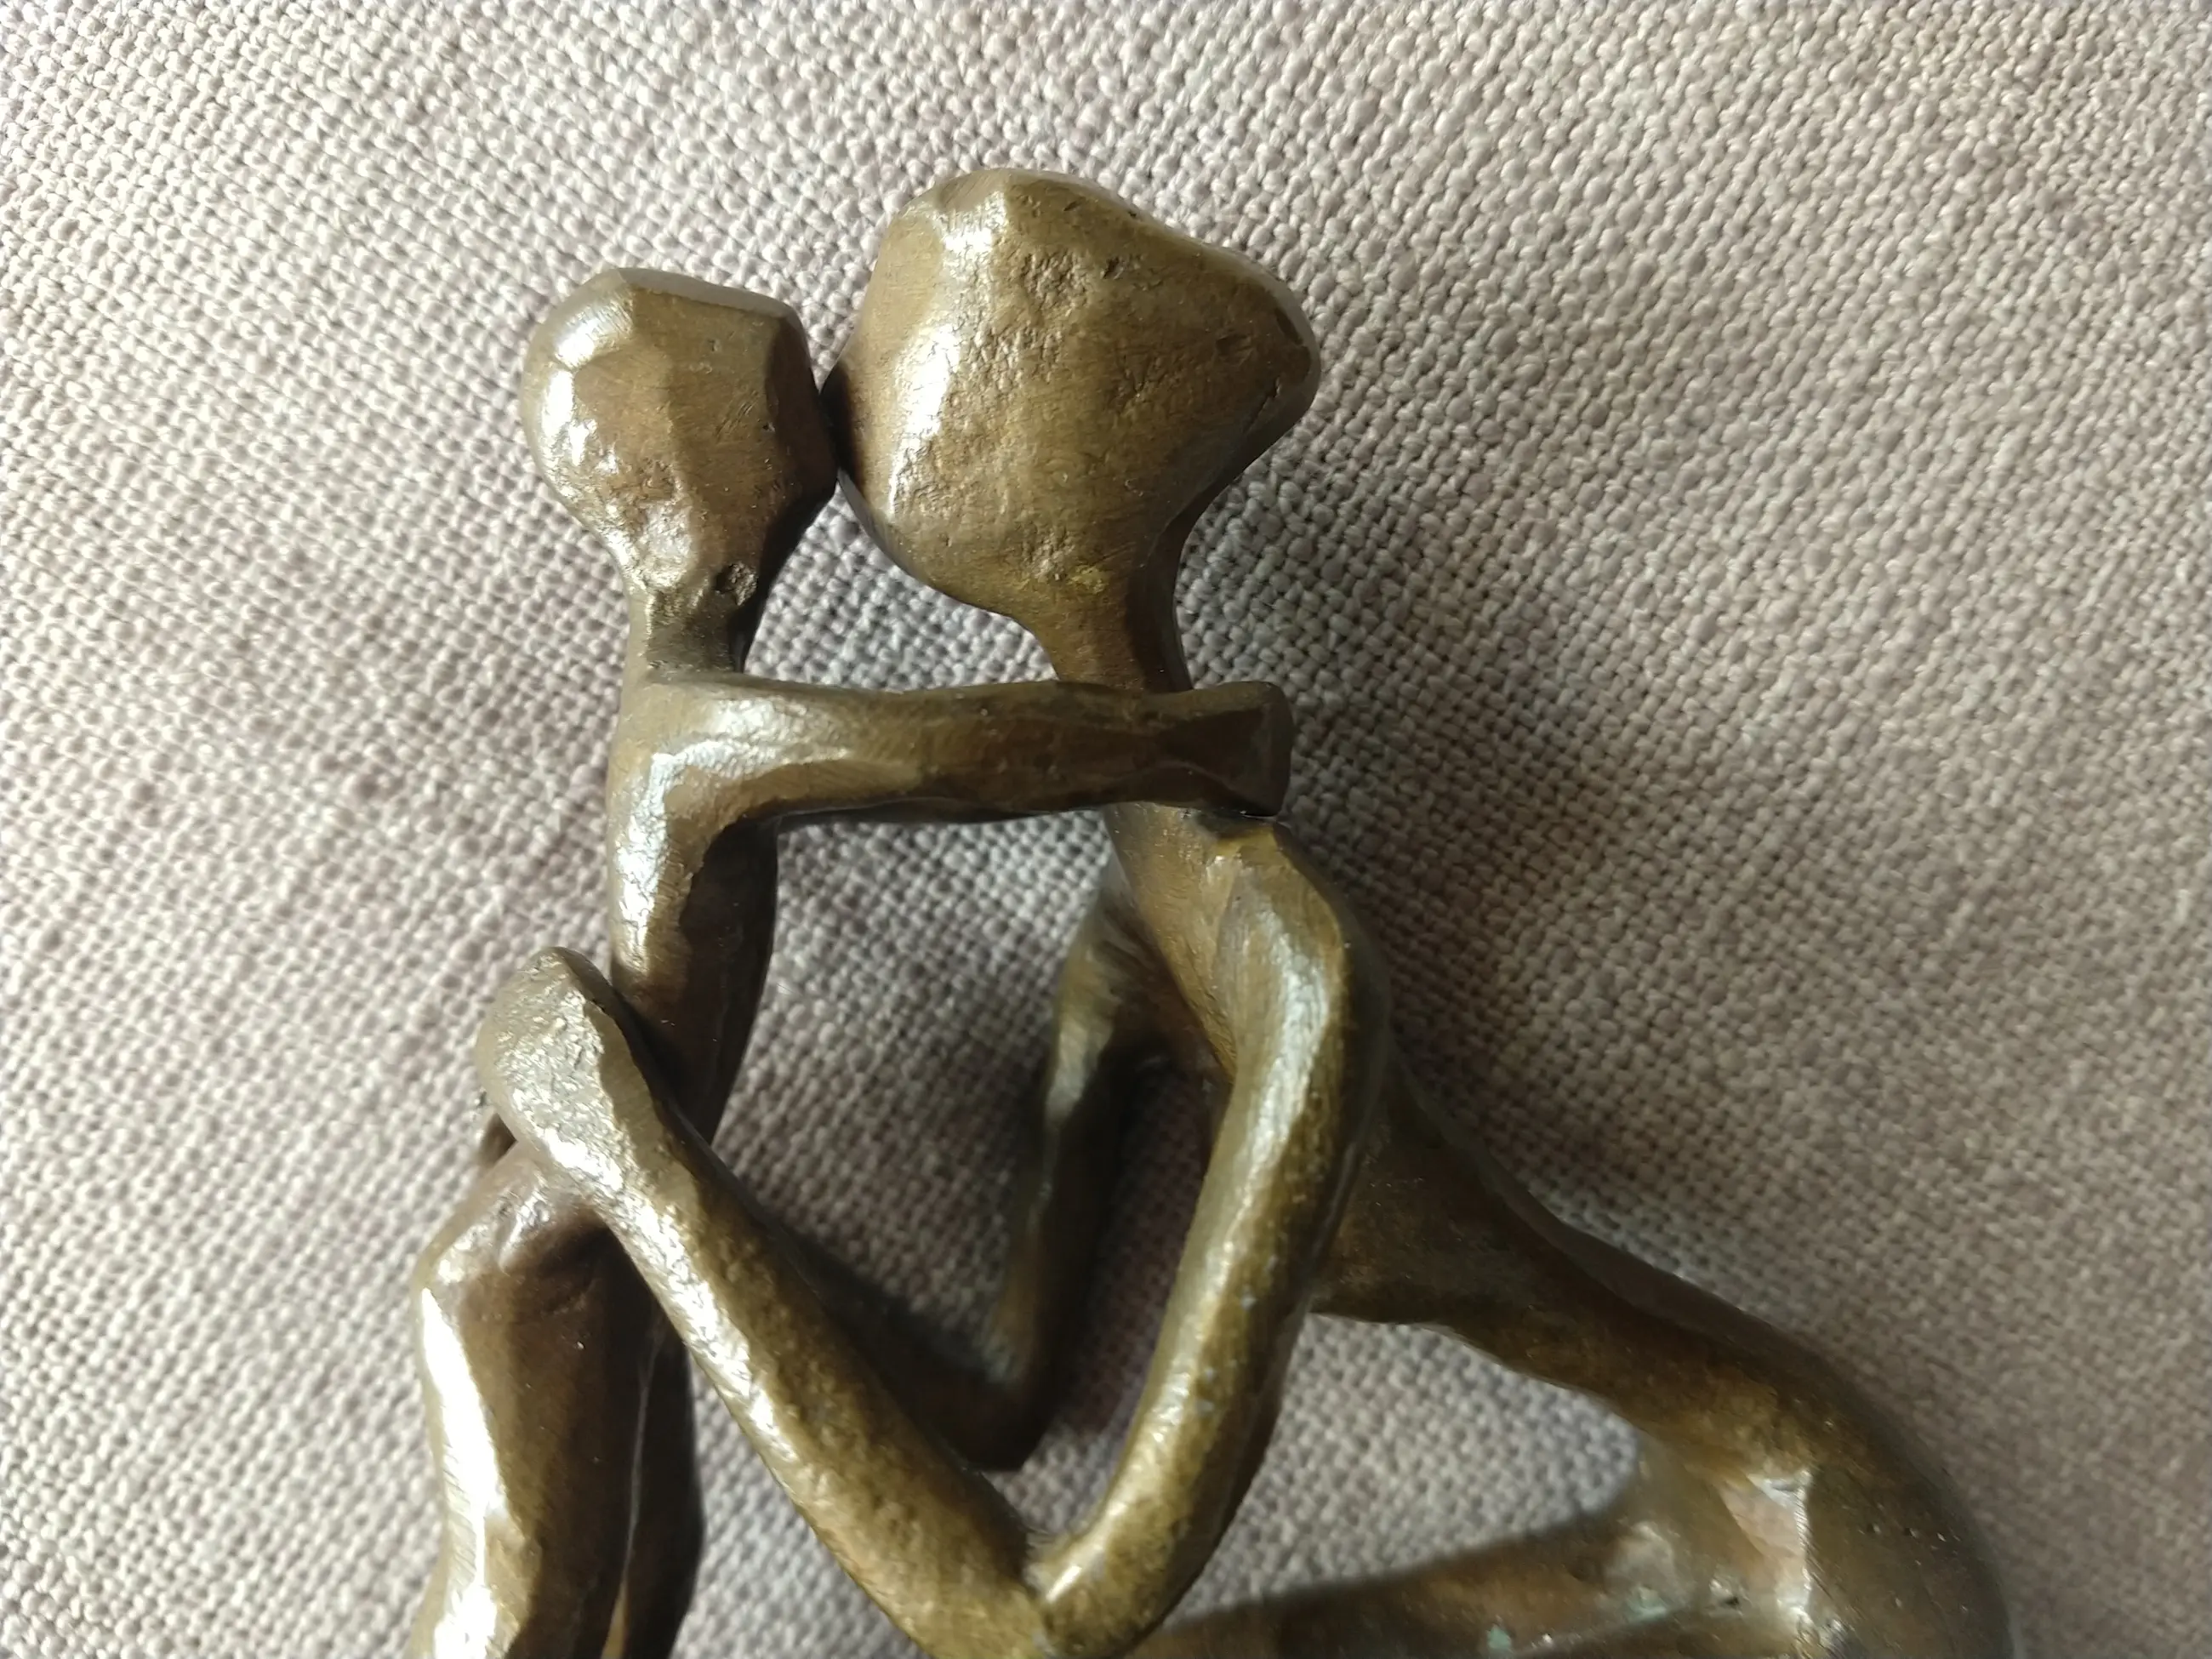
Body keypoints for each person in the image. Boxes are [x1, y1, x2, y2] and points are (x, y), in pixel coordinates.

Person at [482, 173, 2015, 1659]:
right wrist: (620, 1241)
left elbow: (1036, 1622)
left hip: (1841, 1593)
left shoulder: (1293, 978)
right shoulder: (1138, 930)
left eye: (891, 324)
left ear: (1034, 436)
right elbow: (1001, 1398)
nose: (835, 386)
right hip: (1694, 1523)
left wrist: (639, 1164)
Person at [408, 265, 1296, 1659]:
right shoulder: (687, 727)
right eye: (758, 406)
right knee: (538, 1602)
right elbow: (942, 759)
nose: (810, 421)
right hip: (541, 1242)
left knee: (645, 1574)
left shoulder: (698, 703)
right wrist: (1190, 740)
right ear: (655, 491)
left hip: (580, 1203)